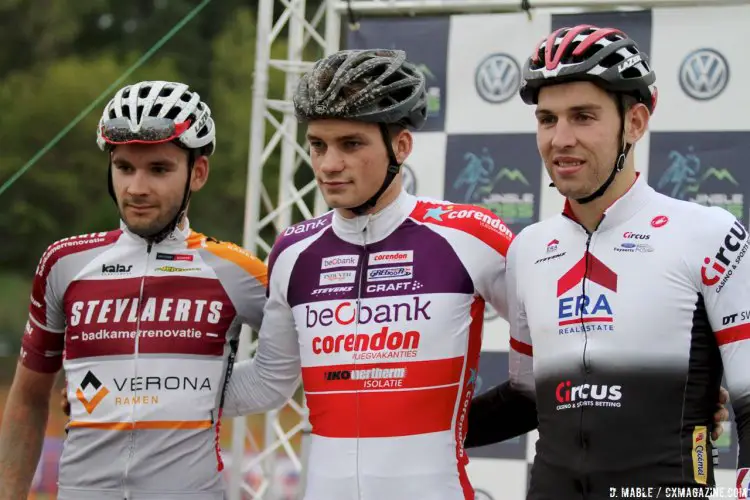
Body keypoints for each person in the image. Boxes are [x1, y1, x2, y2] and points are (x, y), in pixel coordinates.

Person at [463, 25, 749, 499]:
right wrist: (410, 430)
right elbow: (527, 397)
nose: (560, 138)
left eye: (583, 116)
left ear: (634, 123)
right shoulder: (529, 249)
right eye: (548, 119)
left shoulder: (706, 233)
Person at [220, 48, 514, 500]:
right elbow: (266, 384)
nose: (328, 164)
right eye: (318, 144)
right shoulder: (293, 250)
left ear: (401, 146)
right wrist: (163, 385)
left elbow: (553, 357)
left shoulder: (470, 235)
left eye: (351, 144)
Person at [0, 80, 268, 500]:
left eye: (158, 169)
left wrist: (194, 393)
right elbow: (28, 398)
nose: (136, 188)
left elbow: (293, 366)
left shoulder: (239, 271)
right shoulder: (64, 263)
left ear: (197, 173)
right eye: (124, 167)